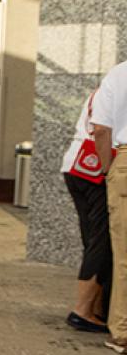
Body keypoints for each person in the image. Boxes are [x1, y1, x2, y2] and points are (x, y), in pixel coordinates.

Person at [62, 90, 111, 332]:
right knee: (101, 239)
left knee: (93, 237)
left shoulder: (103, 89)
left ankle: (97, 307)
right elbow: (102, 130)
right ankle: (83, 310)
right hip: (95, 169)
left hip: (75, 165)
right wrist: (108, 169)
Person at [90, 62, 127, 353]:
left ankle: (123, 332)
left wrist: (107, 170)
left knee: (124, 253)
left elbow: (101, 128)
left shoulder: (120, 73)